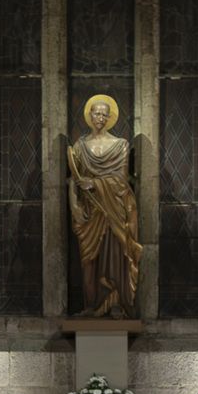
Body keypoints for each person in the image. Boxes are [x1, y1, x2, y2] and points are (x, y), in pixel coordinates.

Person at [66, 92, 140, 318]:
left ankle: (115, 304)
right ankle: (90, 306)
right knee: (88, 259)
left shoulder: (120, 145)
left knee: (115, 255)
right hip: (89, 211)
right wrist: (74, 206)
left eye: (104, 114)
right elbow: (73, 179)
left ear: (109, 118)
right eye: (96, 113)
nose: (100, 117)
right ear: (89, 115)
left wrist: (95, 183)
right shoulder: (79, 146)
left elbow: (121, 180)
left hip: (113, 209)